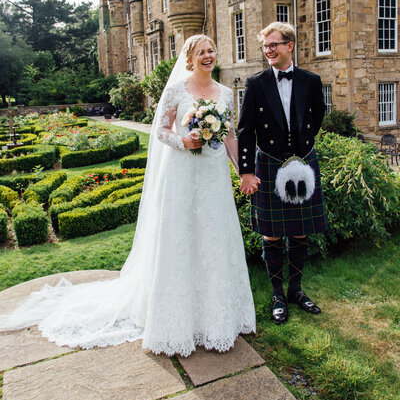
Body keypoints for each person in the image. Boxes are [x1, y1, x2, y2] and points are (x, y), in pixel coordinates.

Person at [0, 34, 255, 356]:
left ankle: (217, 319)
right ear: (189, 59)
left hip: (213, 178)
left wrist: (243, 171)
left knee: (214, 239)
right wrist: (183, 141)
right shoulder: (176, 90)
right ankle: (176, 321)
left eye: (211, 51)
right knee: (180, 238)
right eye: (200, 52)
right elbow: (161, 131)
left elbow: (230, 133)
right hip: (182, 174)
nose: (207, 56)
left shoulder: (227, 93)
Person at [238, 22, 327, 325]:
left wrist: (303, 146)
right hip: (270, 162)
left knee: (300, 230)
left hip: (302, 162)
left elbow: (318, 115)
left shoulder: (310, 80)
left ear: (290, 45)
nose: (269, 51)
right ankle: (277, 293)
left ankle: (297, 290)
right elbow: (245, 131)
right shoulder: (255, 83)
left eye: (274, 45)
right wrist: (246, 171)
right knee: (272, 231)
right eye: (265, 46)